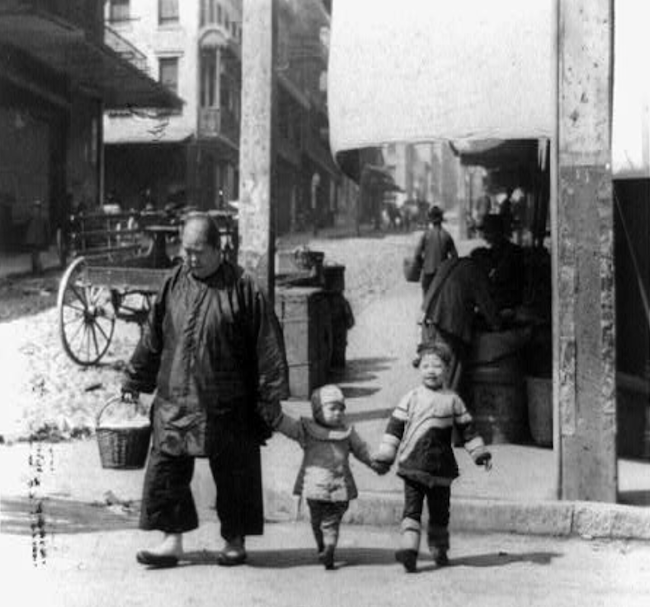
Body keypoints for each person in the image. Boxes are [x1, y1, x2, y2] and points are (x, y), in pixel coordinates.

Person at [121, 211, 290, 569]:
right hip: (175, 396)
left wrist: (269, 394)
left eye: (198, 251)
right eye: (186, 250)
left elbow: (267, 344)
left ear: (218, 249)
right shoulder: (173, 283)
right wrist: (134, 379)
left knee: (234, 469)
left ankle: (234, 538)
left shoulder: (243, 287)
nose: (190, 258)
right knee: (167, 466)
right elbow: (153, 337)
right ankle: (171, 539)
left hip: (225, 400)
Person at [373, 343, 492, 573]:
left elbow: (467, 429)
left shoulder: (453, 400)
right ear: (418, 368)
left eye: (437, 365)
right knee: (412, 510)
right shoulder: (411, 398)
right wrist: (386, 456)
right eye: (425, 365)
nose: (431, 370)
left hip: (441, 469)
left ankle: (439, 549)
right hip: (413, 465)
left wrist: (479, 453)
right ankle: (409, 551)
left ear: (447, 369)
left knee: (440, 513)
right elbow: (395, 428)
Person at [276, 385, 384, 570]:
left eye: (341, 409)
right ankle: (323, 546)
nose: (338, 413)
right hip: (314, 487)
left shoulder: (348, 433)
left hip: (338, 486)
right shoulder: (307, 430)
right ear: (318, 411)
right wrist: (275, 417)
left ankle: (329, 549)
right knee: (317, 521)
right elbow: (289, 428)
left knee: (330, 520)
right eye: (332, 408)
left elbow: (362, 450)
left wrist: (375, 462)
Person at [418, 254, 501, 390]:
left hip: (428, 323)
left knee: (433, 375)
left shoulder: (449, 264)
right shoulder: (475, 270)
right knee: (449, 378)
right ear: (485, 265)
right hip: (448, 328)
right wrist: (498, 324)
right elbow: (487, 306)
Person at [478, 213, 525, 313]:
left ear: (496, 232)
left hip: (509, 304)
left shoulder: (511, 252)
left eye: (487, 232)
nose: (485, 236)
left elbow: (498, 278)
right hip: (502, 301)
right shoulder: (495, 251)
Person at [412, 205, 458, 296]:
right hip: (442, 275)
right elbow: (455, 257)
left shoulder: (426, 235)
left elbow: (417, 254)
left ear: (430, 219)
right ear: (441, 219)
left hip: (428, 274)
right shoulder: (447, 236)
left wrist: (423, 264)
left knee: (427, 303)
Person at [24, 200, 49, 275]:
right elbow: (29, 228)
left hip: (38, 240)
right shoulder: (32, 217)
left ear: (39, 209)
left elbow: (45, 230)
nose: (36, 209)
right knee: (33, 256)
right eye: (35, 208)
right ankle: (35, 270)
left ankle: (39, 270)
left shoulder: (41, 218)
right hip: (33, 240)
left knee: (36, 256)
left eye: (37, 208)